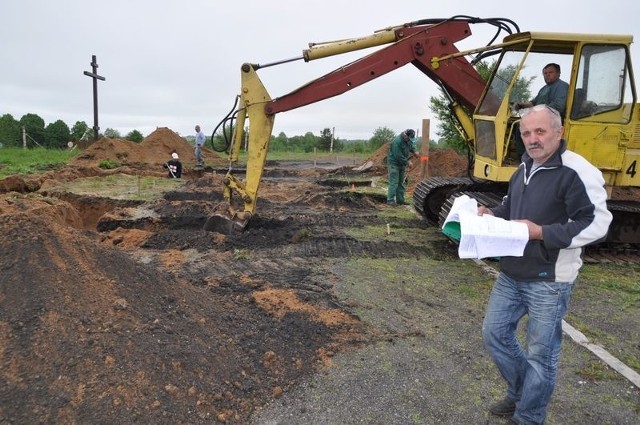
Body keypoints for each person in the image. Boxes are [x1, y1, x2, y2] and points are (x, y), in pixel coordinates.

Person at [478, 104, 612, 425]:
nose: (532, 139)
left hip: (549, 279)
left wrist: (541, 232)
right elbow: (512, 206)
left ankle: (528, 416)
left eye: (540, 131)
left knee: (541, 355)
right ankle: (522, 392)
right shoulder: (523, 167)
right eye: (526, 133)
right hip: (512, 272)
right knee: (494, 334)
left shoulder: (576, 171)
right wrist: (491, 213)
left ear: (558, 132)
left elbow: (597, 223)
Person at [386, 129, 419, 205]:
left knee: (401, 183)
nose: (409, 140)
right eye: (408, 138)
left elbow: (411, 146)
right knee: (394, 182)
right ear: (405, 135)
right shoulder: (397, 142)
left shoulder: (408, 140)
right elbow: (398, 156)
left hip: (401, 164)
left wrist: (414, 151)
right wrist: (407, 162)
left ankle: (400, 200)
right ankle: (390, 200)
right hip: (394, 164)